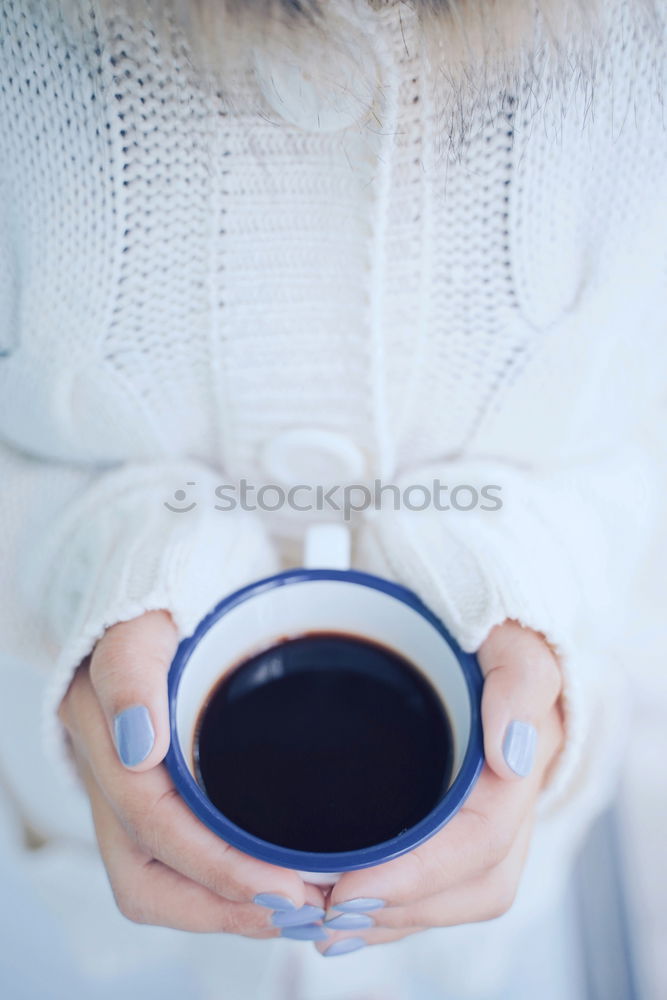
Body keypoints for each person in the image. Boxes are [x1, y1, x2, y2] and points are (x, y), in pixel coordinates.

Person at [0, 0, 665, 997]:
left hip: (488, 941)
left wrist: (520, 590)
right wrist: (105, 574)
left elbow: (635, 436)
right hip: (86, 915)